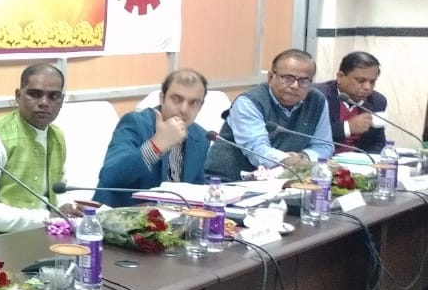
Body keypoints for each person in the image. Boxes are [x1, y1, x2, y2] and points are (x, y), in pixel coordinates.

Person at [0, 63, 81, 238]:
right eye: (35, 94)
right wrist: (47, 218)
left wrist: (66, 206)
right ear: (18, 96)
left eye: (53, 96)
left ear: (61, 101)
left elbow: (59, 189)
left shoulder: (56, 136)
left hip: (40, 237)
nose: (44, 103)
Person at [205, 49, 333, 180]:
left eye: (303, 81)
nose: (295, 85)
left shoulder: (317, 100)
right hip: (230, 180)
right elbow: (257, 151)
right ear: (271, 77)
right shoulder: (250, 101)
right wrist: (291, 161)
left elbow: (324, 145)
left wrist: (304, 157)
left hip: (283, 180)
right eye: (288, 78)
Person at [93, 69, 212, 207]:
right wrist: (157, 145)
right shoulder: (136, 123)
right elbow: (110, 177)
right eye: (176, 99)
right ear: (162, 98)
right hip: (120, 215)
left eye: (193, 103)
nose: (184, 109)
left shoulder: (200, 138)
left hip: (175, 218)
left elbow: (196, 191)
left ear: (200, 107)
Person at [315, 51, 387, 154]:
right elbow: (311, 136)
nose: (367, 87)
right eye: (360, 81)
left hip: (360, 161)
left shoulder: (377, 101)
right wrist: (347, 128)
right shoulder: (318, 96)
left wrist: (367, 161)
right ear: (340, 77)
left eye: (372, 82)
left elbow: (377, 142)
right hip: (323, 158)